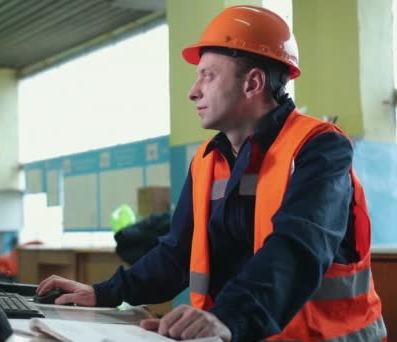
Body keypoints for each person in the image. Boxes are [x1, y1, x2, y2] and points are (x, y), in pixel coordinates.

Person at [37, 5, 387, 341]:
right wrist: (103, 293)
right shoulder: (207, 160)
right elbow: (176, 255)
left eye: (208, 75)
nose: (193, 91)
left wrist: (226, 318)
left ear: (253, 83)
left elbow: (297, 248)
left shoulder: (319, 148)